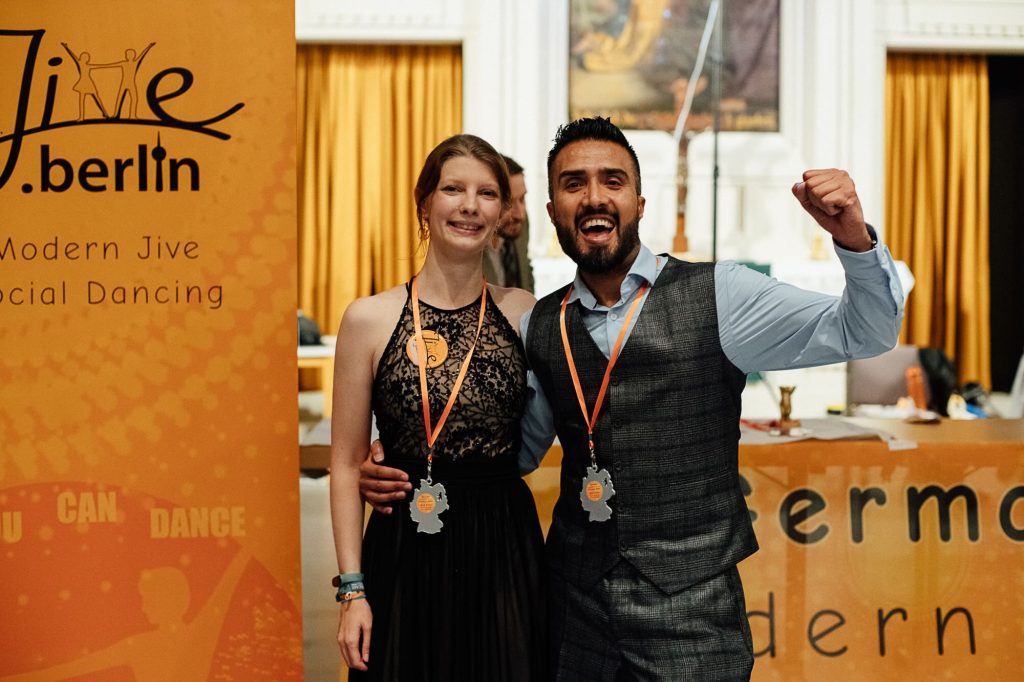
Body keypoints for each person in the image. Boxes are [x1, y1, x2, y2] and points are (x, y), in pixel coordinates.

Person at [360, 117, 905, 680]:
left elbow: (865, 331)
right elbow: (509, 449)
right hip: (573, 614)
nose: (594, 197)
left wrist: (853, 238)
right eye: (573, 184)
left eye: (612, 181)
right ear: (552, 211)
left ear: (640, 203)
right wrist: (397, 457)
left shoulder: (721, 294)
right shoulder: (541, 322)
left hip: (692, 618)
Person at [330, 134, 546, 681]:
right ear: (424, 201)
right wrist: (352, 591)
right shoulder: (368, 320)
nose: (470, 205)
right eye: (453, 189)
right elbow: (346, 463)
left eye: (487, 194)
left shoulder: (524, 314)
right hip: (403, 547)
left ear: (502, 213)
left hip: (502, 548)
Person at [483, 154, 535, 291]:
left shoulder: (519, 222)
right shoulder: (467, 242)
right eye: (509, 203)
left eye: (522, 199)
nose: (520, 214)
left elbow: (525, 268)